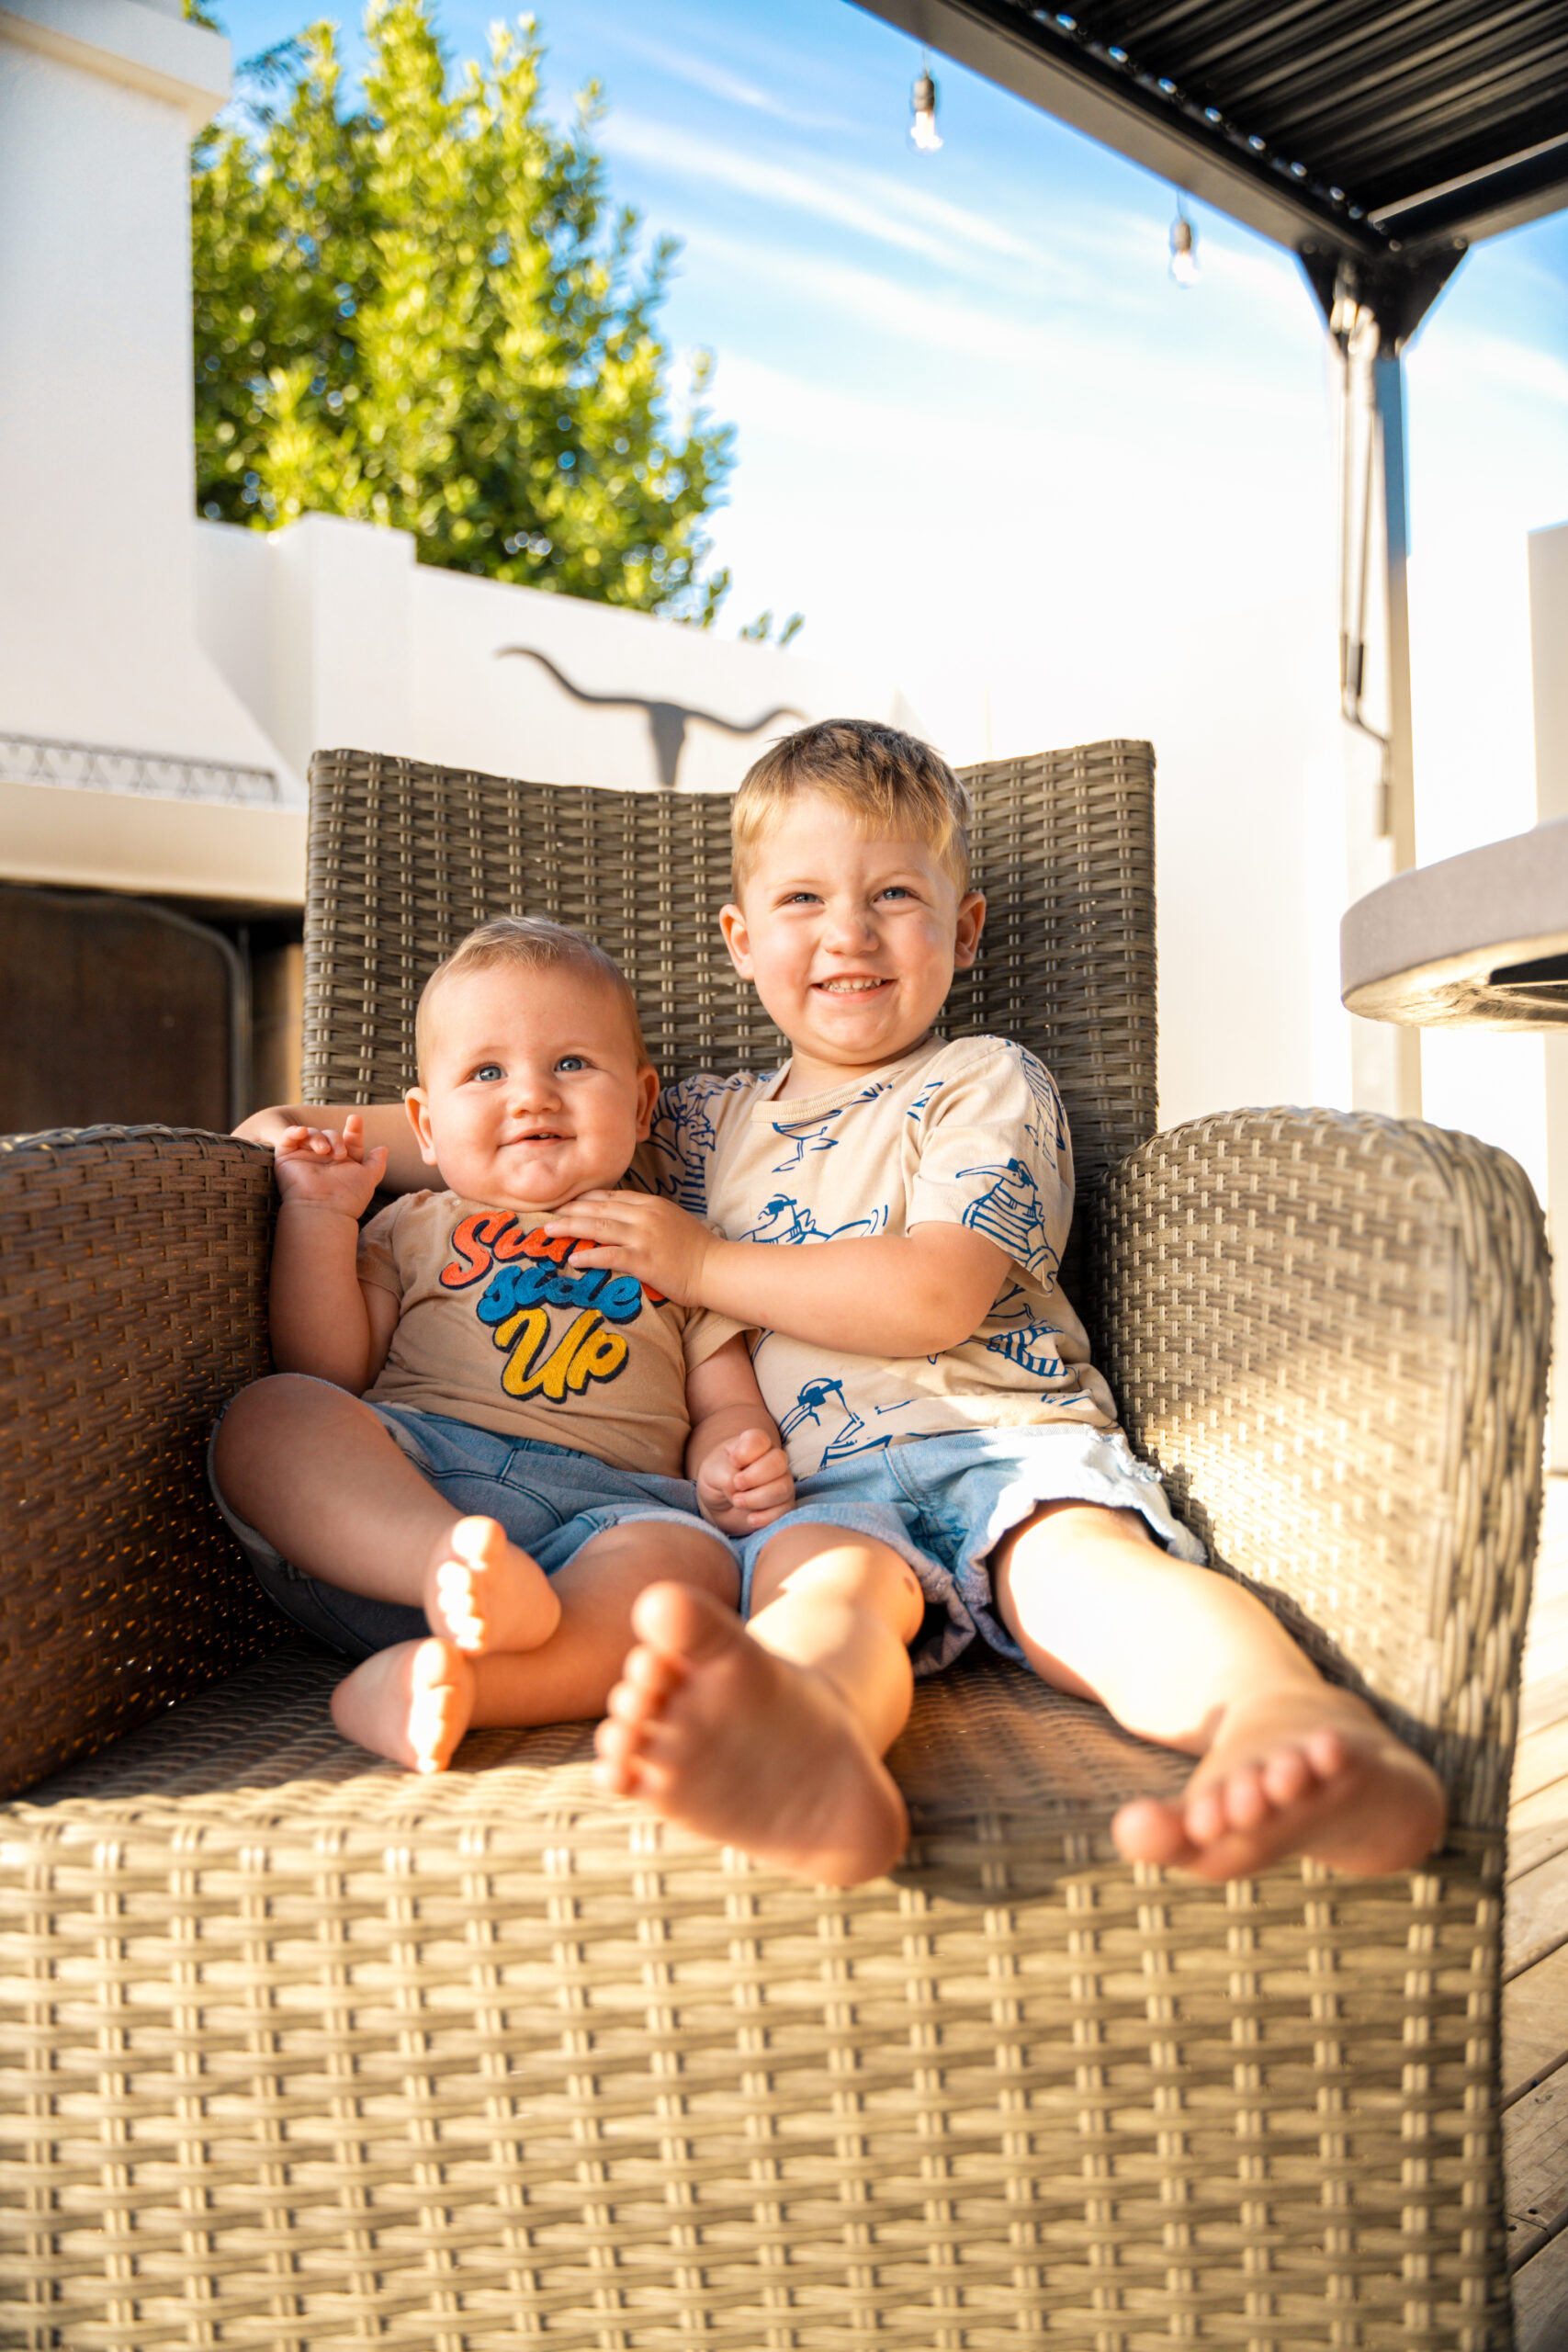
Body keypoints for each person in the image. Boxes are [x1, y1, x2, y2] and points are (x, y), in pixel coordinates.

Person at [238, 722, 1449, 1892]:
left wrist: (702, 1265)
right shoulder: (700, 1123)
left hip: (1001, 1449)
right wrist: (303, 1155)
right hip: (823, 1500)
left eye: (893, 898)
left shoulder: (979, 1083)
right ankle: (812, 1760)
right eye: (803, 901)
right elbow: (475, 1129)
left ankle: (1291, 1730)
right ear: (740, 937)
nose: (848, 935)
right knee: (827, 1612)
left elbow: (933, 1290)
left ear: (961, 929)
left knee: (1087, 1579)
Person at [212, 917, 793, 1776]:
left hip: (604, 1523)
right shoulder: (411, 1225)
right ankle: (450, 1568)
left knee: (695, 1567)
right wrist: (319, 1218)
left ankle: (461, 1682)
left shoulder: (676, 1245)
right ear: (425, 1124)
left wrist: (731, 1465)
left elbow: (727, 1405)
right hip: (407, 1498)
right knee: (272, 1413)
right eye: (486, 1072)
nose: (531, 1096)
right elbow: (330, 1369)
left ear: (638, 1105)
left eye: (570, 1064)